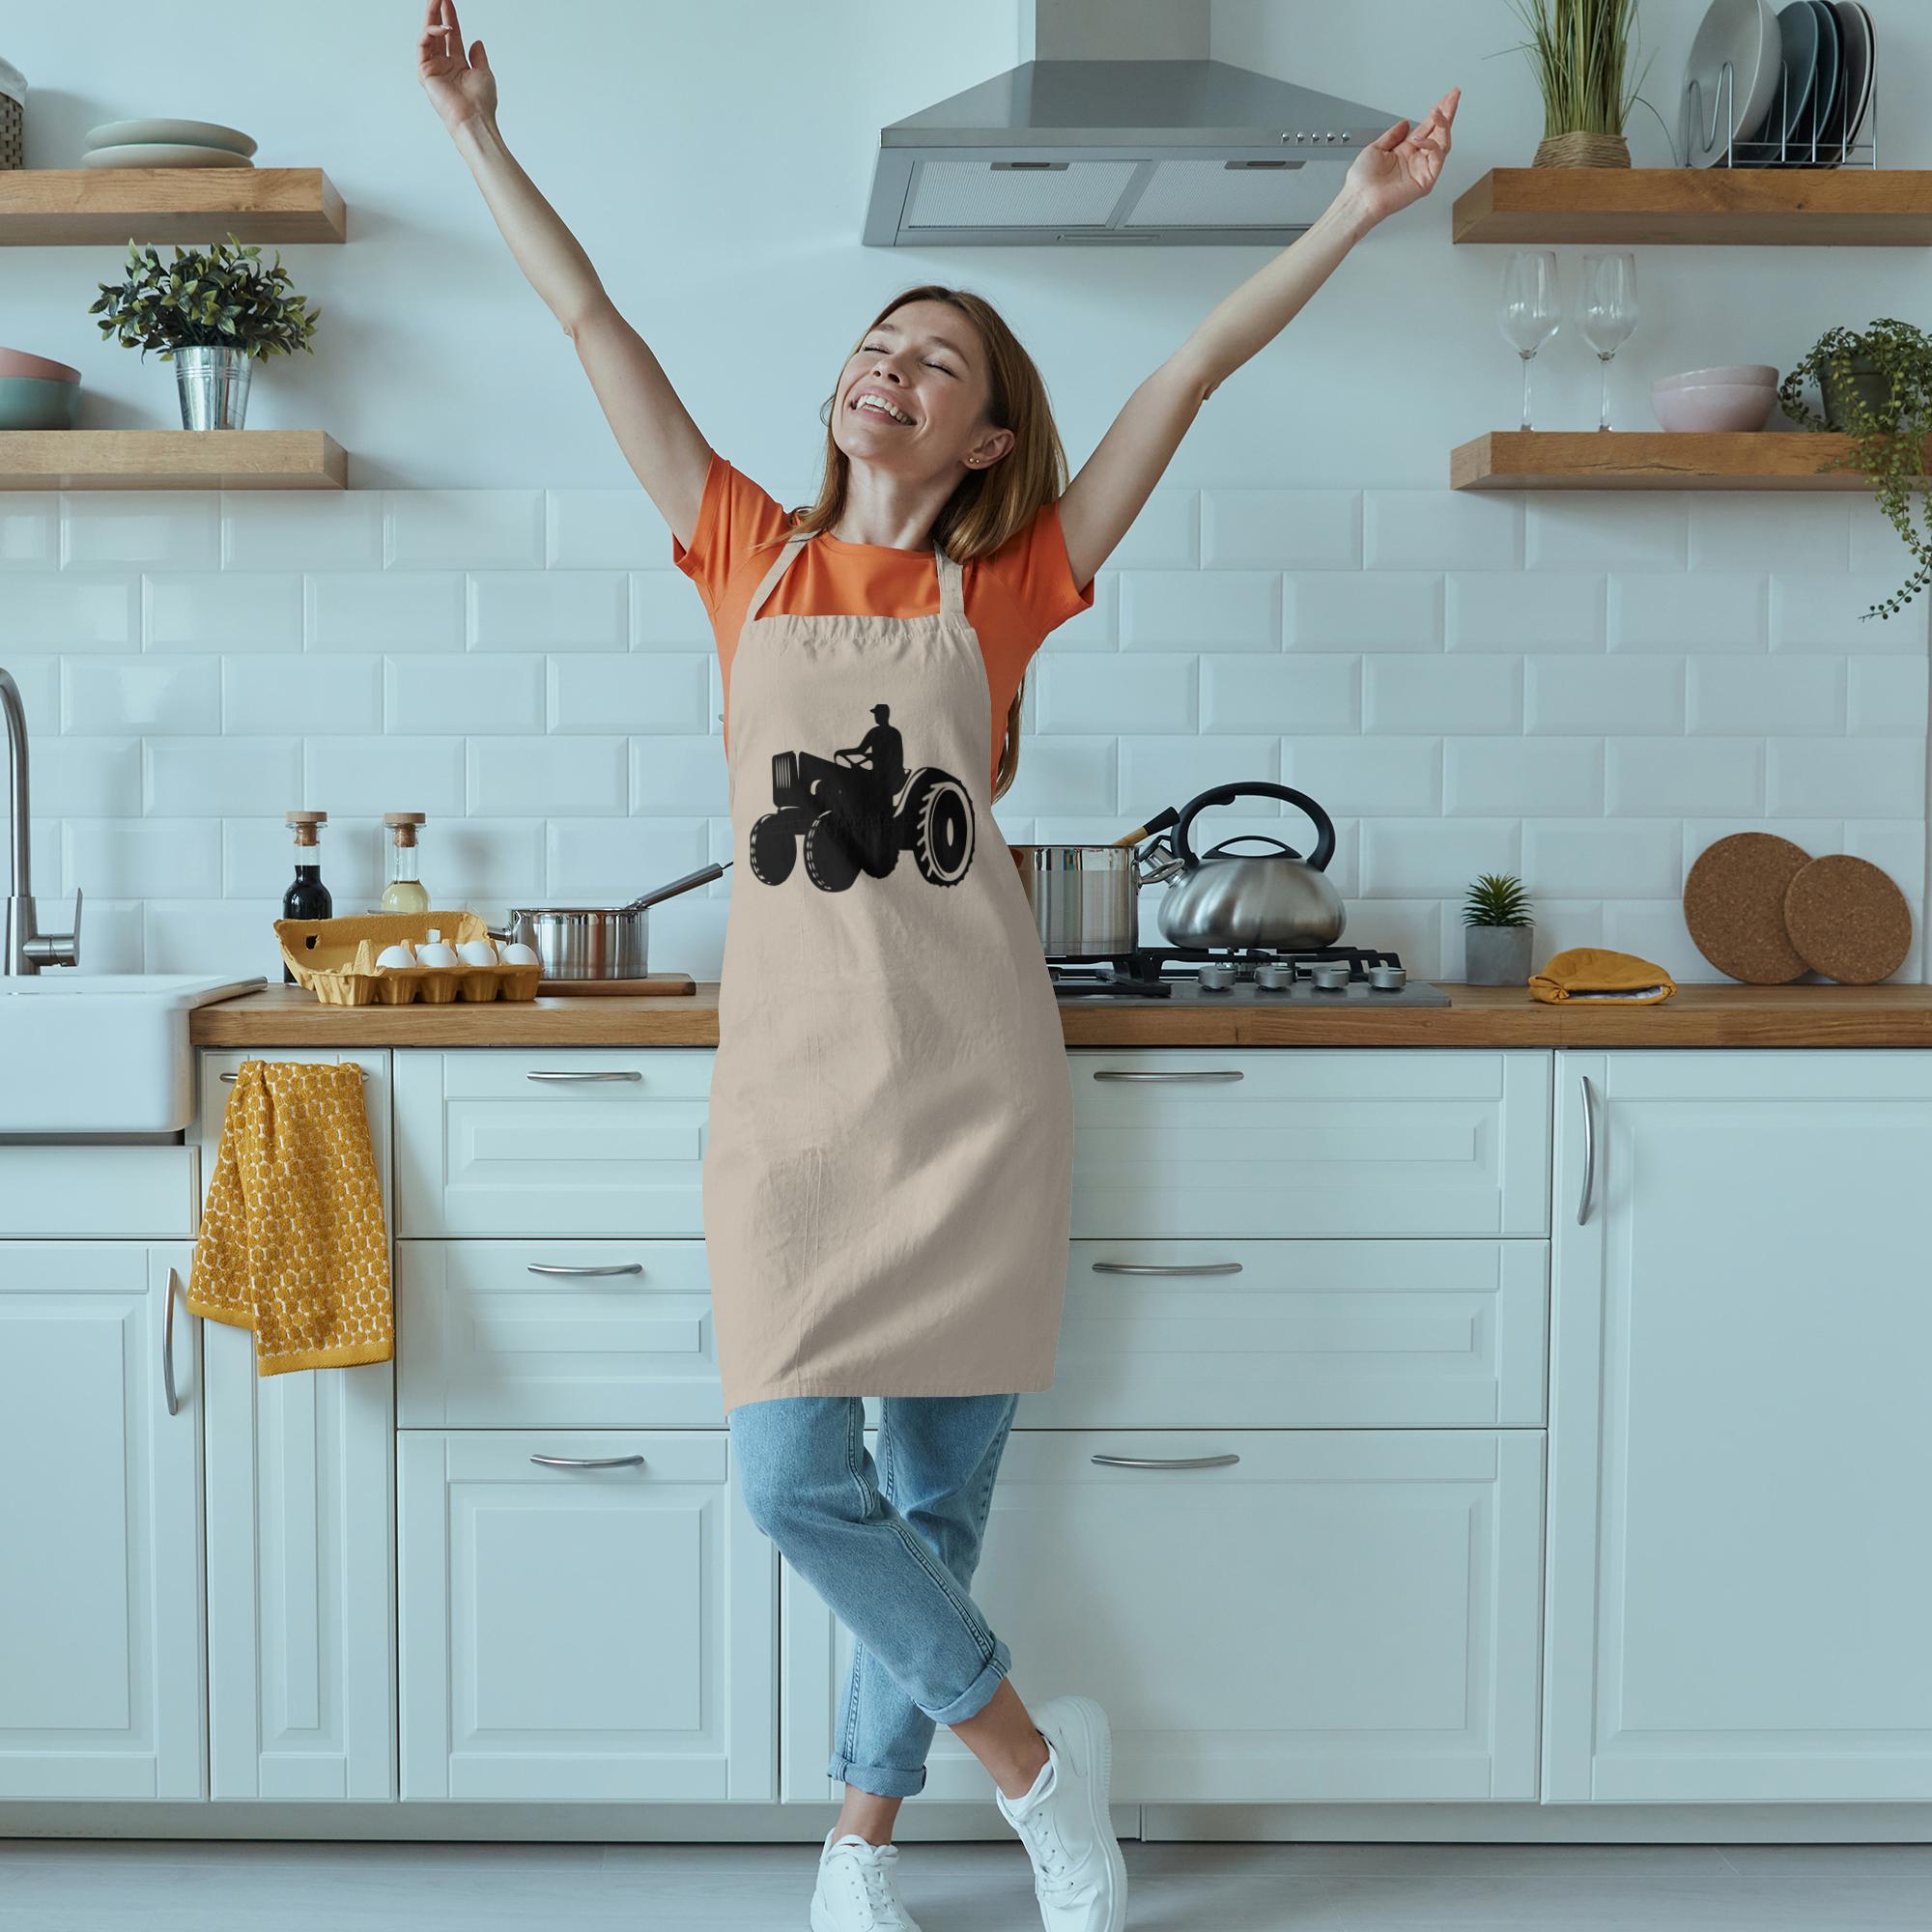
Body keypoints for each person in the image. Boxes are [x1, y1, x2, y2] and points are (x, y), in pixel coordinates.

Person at [418, 9, 1457, 1927]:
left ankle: (861, 1850)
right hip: (793, 1113)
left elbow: (1195, 370)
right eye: (876, 341)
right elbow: (592, 331)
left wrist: (1349, 213)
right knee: (796, 1487)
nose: (888, 364)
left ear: (985, 435)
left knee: (934, 1510)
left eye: (938, 359)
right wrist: (482, 132)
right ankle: (1039, 1770)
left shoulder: (1010, 584)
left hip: (974, 1096)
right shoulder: (746, 554)